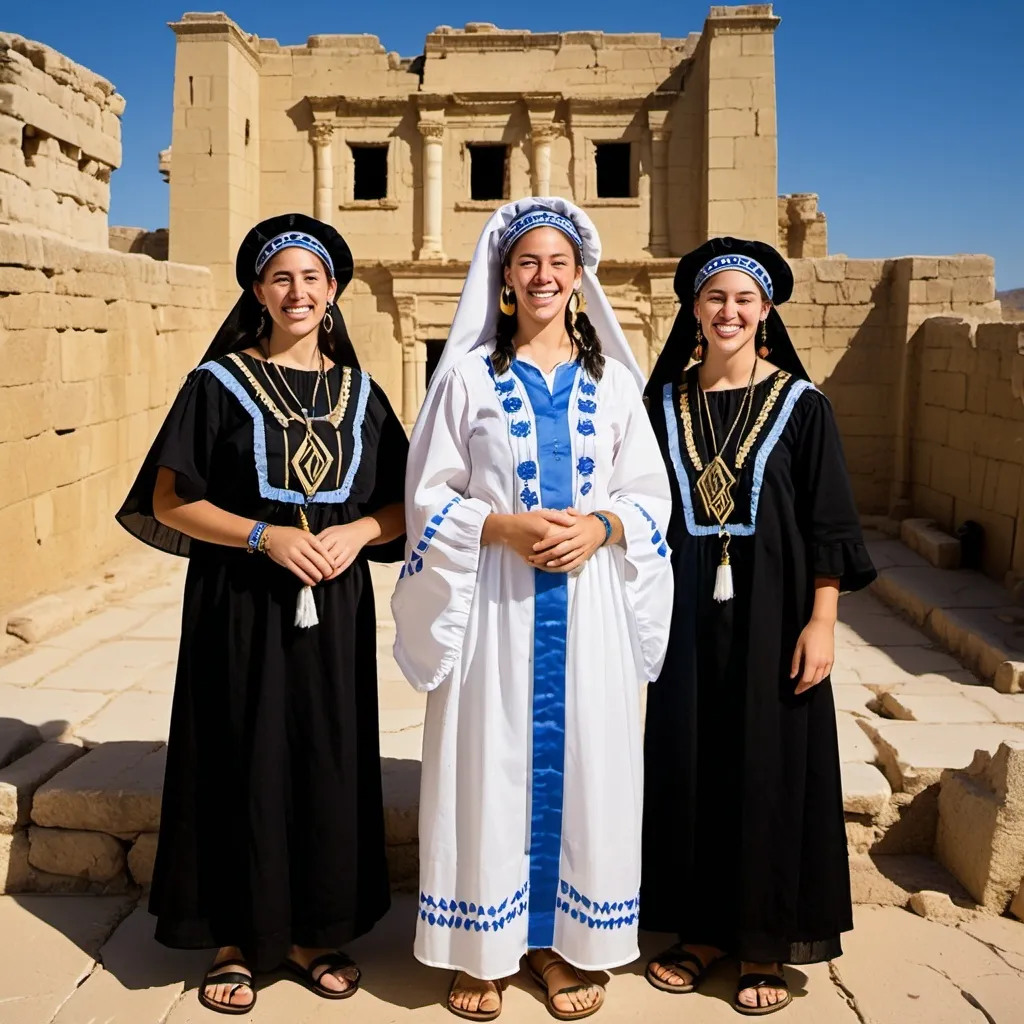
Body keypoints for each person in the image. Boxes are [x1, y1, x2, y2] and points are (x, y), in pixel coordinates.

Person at [116, 213, 408, 1015]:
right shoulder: (218, 384)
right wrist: (262, 535)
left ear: (334, 291)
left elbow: (403, 507)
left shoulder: (362, 392)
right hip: (239, 602)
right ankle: (236, 935)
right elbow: (169, 501)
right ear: (257, 290)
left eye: (312, 278)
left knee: (325, 754)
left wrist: (353, 531)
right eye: (281, 277)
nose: (297, 291)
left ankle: (317, 928)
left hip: (335, 605)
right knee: (238, 750)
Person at [392, 199, 673, 1022]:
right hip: (495, 608)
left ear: (579, 277)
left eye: (558, 263)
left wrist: (602, 525)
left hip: (590, 615)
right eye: (527, 263)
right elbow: (427, 495)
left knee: (588, 763)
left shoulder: (615, 382)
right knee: (491, 761)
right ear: (505, 279)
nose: (544, 276)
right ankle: (482, 947)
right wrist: (500, 525)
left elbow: (648, 497)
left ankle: (557, 945)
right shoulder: (468, 377)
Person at [639, 237, 876, 1016]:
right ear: (694, 312)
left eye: (744, 300)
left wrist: (823, 620)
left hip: (777, 618)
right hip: (683, 618)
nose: (728, 312)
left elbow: (830, 522)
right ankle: (703, 932)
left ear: (766, 310)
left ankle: (763, 942)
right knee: (691, 764)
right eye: (715, 300)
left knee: (768, 773)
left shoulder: (804, 408)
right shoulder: (661, 404)